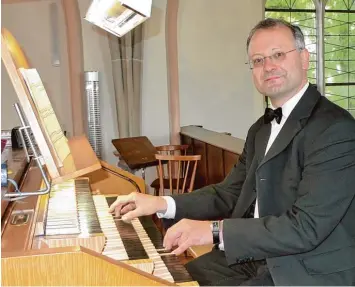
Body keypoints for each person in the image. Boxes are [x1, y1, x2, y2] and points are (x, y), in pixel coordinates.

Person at [109, 18, 355, 286]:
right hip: (257, 256)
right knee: (172, 279)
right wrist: (161, 203)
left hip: (307, 268)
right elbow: (230, 193)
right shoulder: (260, 130)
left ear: (305, 58)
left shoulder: (335, 129)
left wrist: (215, 231)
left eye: (278, 55)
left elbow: (305, 227)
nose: (268, 66)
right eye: (258, 60)